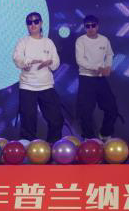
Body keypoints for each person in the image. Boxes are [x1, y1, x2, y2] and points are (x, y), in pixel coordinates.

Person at [13, 12, 64, 143]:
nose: (33, 24)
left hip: (46, 86)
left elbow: (56, 63)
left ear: (41, 23)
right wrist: (27, 63)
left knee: (56, 119)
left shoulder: (48, 42)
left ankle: (53, 145)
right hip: (27, 86)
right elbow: (17, 58)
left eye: (36, 21)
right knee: (28, 122)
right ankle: (29, 149)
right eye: (29, 22)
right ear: (27, 25)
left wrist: (49, 62)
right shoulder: (23, 42)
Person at [75, 14, 119, 141]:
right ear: (84, 27)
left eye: (93, 25)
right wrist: (97, 68)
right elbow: (80, 60)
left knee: (112, 108)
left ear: (97, 26)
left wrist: (108, 66)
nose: (90, 28)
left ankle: (105, 133)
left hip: (100, 79)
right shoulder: (81, 41)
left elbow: (110, 54)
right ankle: (89, 138)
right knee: (85, 111)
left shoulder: (104, 40)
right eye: (87, 26)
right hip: (86, 78)